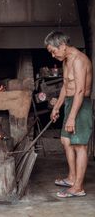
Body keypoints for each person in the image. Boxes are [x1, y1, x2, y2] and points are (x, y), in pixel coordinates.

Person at [44, 31, 93, 198]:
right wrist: (56, 107)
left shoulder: (79, 60)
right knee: (66, 141)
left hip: (81, 105)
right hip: (70, 103)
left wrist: (72, 117)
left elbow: (79, 90)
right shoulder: (66, 60)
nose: (52, 54)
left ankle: (78, 187)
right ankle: (72, 178)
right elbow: (66, 85)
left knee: (80, 145)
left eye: (53, 50)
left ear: (63, 46)